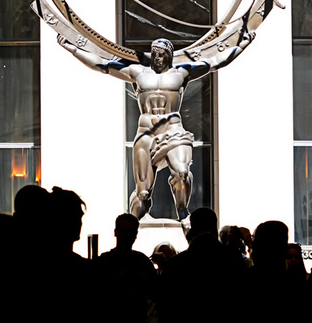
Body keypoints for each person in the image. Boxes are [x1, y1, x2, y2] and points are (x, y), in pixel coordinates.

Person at [57, 35, 211, 226]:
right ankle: (133, 225)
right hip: (146, 133)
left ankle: (182, 210)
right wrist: (73, 49)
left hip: (173, 131)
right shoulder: (138, 73)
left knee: (181, 171)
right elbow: (103, 65)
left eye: (162, 54)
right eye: (154, 54)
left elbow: (215, 61)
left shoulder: (181, 74)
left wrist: (243, 43)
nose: (157, 58)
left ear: (169, 56)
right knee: (143, 193)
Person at [96, 213, 159, 323]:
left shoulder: (105, 261)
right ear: (116, 232)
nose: (128, 236)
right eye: (124, 231)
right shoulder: (142, 262)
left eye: (131, 231)